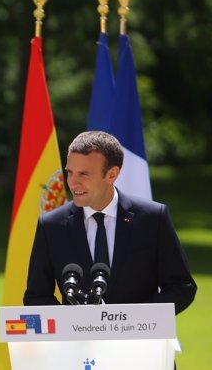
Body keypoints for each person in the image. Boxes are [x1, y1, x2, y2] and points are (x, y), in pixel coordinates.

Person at [23, 130, 196, 314]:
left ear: (112, 174)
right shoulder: (51, 226)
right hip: (78, 342)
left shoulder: (153, 218)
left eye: (84, 174)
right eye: (70, 172)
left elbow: (181, 287)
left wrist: (133, 321)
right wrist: (73, 326)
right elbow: (37, 296)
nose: (72, 183)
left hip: (140, 341)